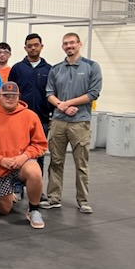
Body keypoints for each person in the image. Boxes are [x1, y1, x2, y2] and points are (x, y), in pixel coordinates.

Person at [41, 33, 102, 214]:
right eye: (66, 44)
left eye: (72, 43)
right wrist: (62, 105)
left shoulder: (92, 67)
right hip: (59, 122)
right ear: (62, 47)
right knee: (56, 162)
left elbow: (93, 93)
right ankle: (53, 198)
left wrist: (68, 103)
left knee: (81, 164)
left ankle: (83, 200)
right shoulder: (56, 69)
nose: (69, 46)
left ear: (79, 44)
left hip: (80, 123)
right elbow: (49, 92)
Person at [0, 82, 48, 228]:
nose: (9, 99)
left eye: (13, 96)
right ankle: (10, 193)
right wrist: (0, 159)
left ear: (19, 97)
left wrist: (24, 157)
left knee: (35, 172)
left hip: (22, 163)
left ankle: (34, 209)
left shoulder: (30, 116)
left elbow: (40, 144)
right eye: (6, 96)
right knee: (4, 210)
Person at [8, 33, 53, 177]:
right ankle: (17, 187)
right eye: (30, 46)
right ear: (25, 48)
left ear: (41, 46)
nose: (33, 48)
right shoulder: (17, 68)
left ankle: (37, 188)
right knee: (17, 152)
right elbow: (10, 93)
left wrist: (51, 115)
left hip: (42, 119)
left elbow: (53, 93)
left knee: (39, 153)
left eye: (36, 45)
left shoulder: (50, 70)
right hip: (19, 118)